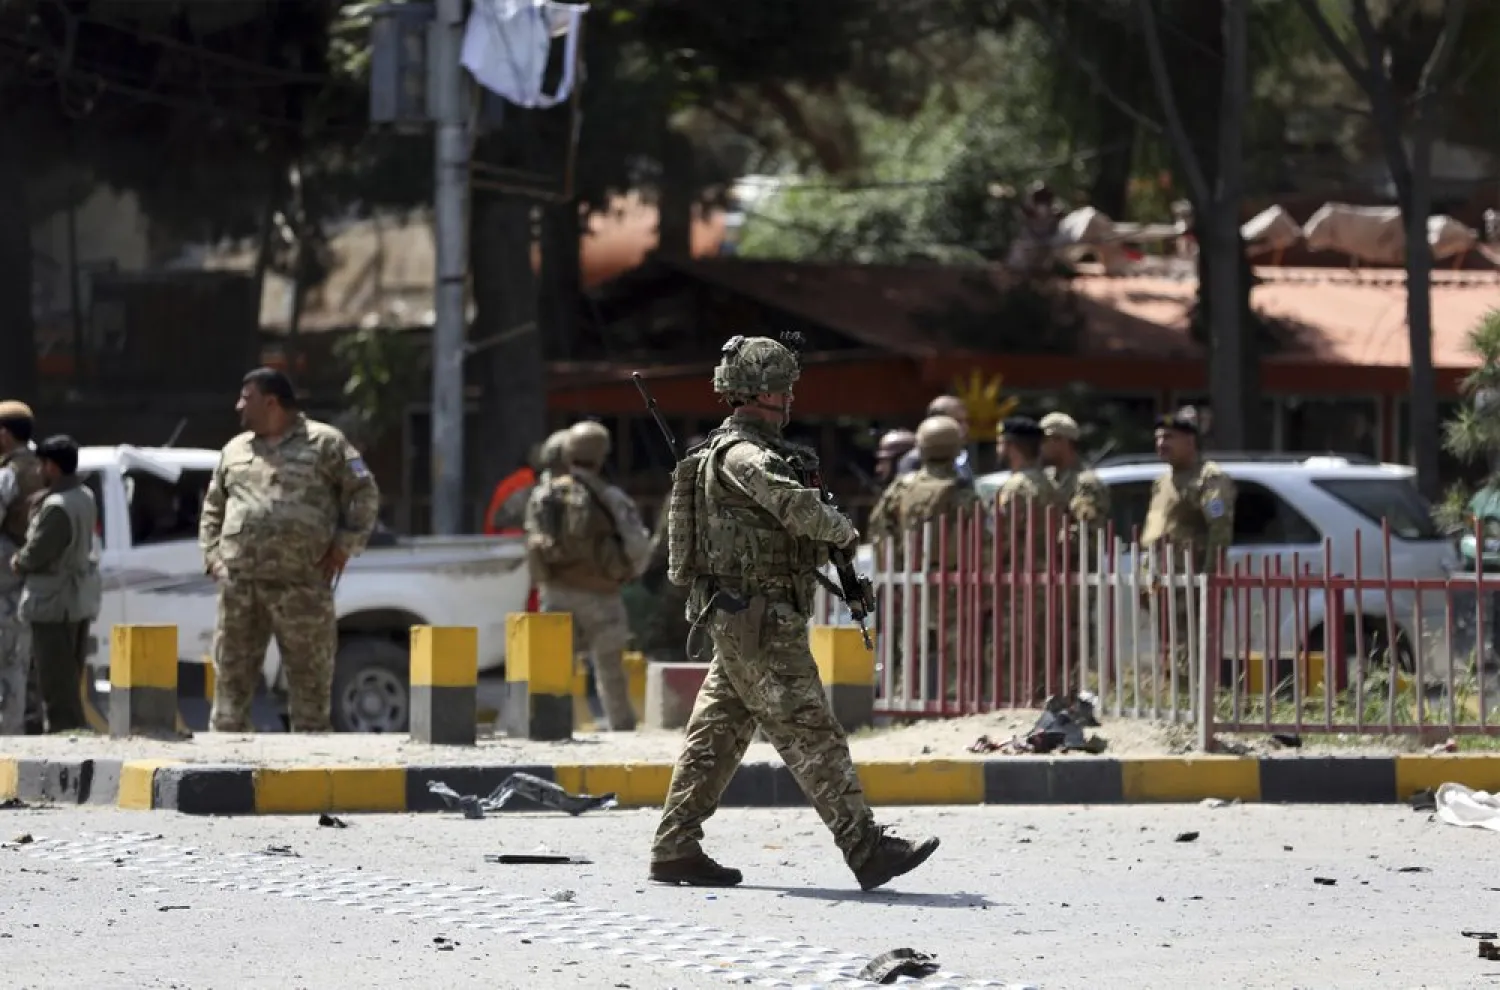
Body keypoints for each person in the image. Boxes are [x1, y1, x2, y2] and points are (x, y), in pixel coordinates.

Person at [650, 334, 938, 891]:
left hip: (743, 618)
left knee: (715, 738)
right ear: (760, 393)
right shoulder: (745, 455)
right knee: (812, 732)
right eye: (784, 389)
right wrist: (841, 528)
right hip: (760, 620)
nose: (790, 400)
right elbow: (794, 505)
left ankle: (675, 846)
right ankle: (866, 848)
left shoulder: (736, 449)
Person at [199, 368, 381, 733]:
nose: (238, 406)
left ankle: (309, 773)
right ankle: (226, 772)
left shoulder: (325, 444)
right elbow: (213, 507)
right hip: (241, 587)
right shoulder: (234, 450)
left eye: (246, 398)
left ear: (271, 402)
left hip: (302, 586)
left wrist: (345, 546)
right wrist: (213, 556)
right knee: (231, 688)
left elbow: (364, 492)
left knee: (310, 691)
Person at [524, 420, 652, 730]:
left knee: (556, 666)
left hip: (554, 592)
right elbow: (638, 546)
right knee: (609, 669)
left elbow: (532, 535)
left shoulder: (544, 494)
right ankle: (620, 729)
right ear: (601, 456)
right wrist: (627, 573)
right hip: (602, 596)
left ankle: (552, 727)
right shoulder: (610, 496)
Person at [867, 415, 988, 702]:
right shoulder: (962, 491)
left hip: (909, 582)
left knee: (911, 650)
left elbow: (879, 531)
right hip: (954, 584)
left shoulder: (901, 488)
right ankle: (954, 703)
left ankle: (906, 701)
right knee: (957, 653)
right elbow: (982, 538)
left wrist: (892, 576)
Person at [10, 436, 99, 733]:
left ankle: (66, 742)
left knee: (56, 684)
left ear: (52, 467)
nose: (38, 471)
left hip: (52, 604)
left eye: (42, 465)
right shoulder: (84, 495)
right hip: (75, 601)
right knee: (69, 678)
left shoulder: (57, 507)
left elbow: (36, 553)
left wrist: (17, 561)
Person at [1140, 407, 1235, 679]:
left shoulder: (1209, 478)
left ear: (1190, 441)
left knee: (1192, 646)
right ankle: (1176, 696)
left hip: (1191, 578)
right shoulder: (1162, 483)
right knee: (1168, 645)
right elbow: (1155, 531)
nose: (1161, 444)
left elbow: (1219, 525)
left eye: (1169, 437)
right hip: (1163, 578)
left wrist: (1209, 574)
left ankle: (1193, 702)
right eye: (1158, 438)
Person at [996, 416, 1067, 701]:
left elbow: (1003, 538)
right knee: (1041, 647)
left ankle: (1019, 701)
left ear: (1011, 446)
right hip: (1045, 575)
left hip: (1019, 580)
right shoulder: (1048, 484)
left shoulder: (1016, 488)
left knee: (1016, 649)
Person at [0, 401, 43, 735]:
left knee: (9, 656)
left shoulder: (9, 473)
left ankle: (9, 733)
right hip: (41, 577)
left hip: (9, 576)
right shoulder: (45, 467)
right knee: (27, 656)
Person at [895, 396, 973, 482]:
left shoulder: (960, 456)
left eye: (966, 421)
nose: (965, 427)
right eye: (958, 421)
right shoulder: (915, 461)